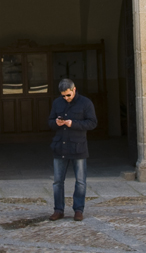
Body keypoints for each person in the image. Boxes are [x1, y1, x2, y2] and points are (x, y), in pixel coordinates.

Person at [48, 78, 97, 222]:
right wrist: (56, 123)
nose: (66, 98)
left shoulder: (86, 103)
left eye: (68, 95)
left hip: (78, 147)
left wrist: (73, 123)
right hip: (60, 147)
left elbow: (92, 123)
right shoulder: (57, 103)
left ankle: (78, 210)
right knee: (57, 181)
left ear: (74, 89)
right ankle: (58, 210)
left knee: (80, 181)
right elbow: (49, 121)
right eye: (63, 96)